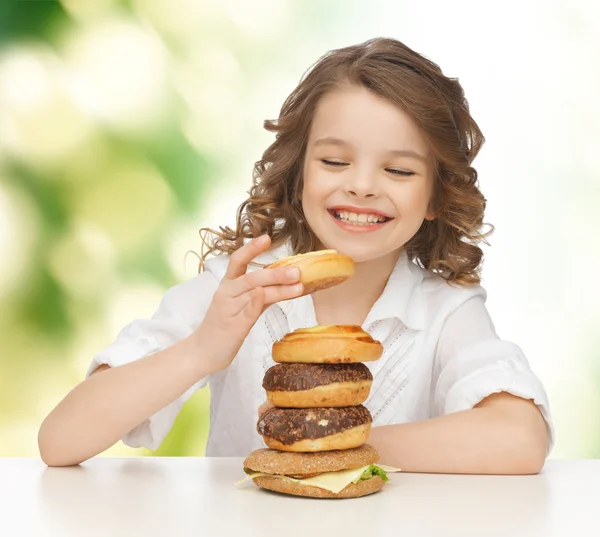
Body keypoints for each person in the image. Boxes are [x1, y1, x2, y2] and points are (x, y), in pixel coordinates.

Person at [38, 37, 553, 472]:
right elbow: (60, 441)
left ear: (438, 197)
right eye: (334, 160)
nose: (363, 186)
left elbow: (521, 439)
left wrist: (336, 443)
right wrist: (202, 349)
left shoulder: (443, 310)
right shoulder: (239, 287)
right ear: (298, 170)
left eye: (399, 170)